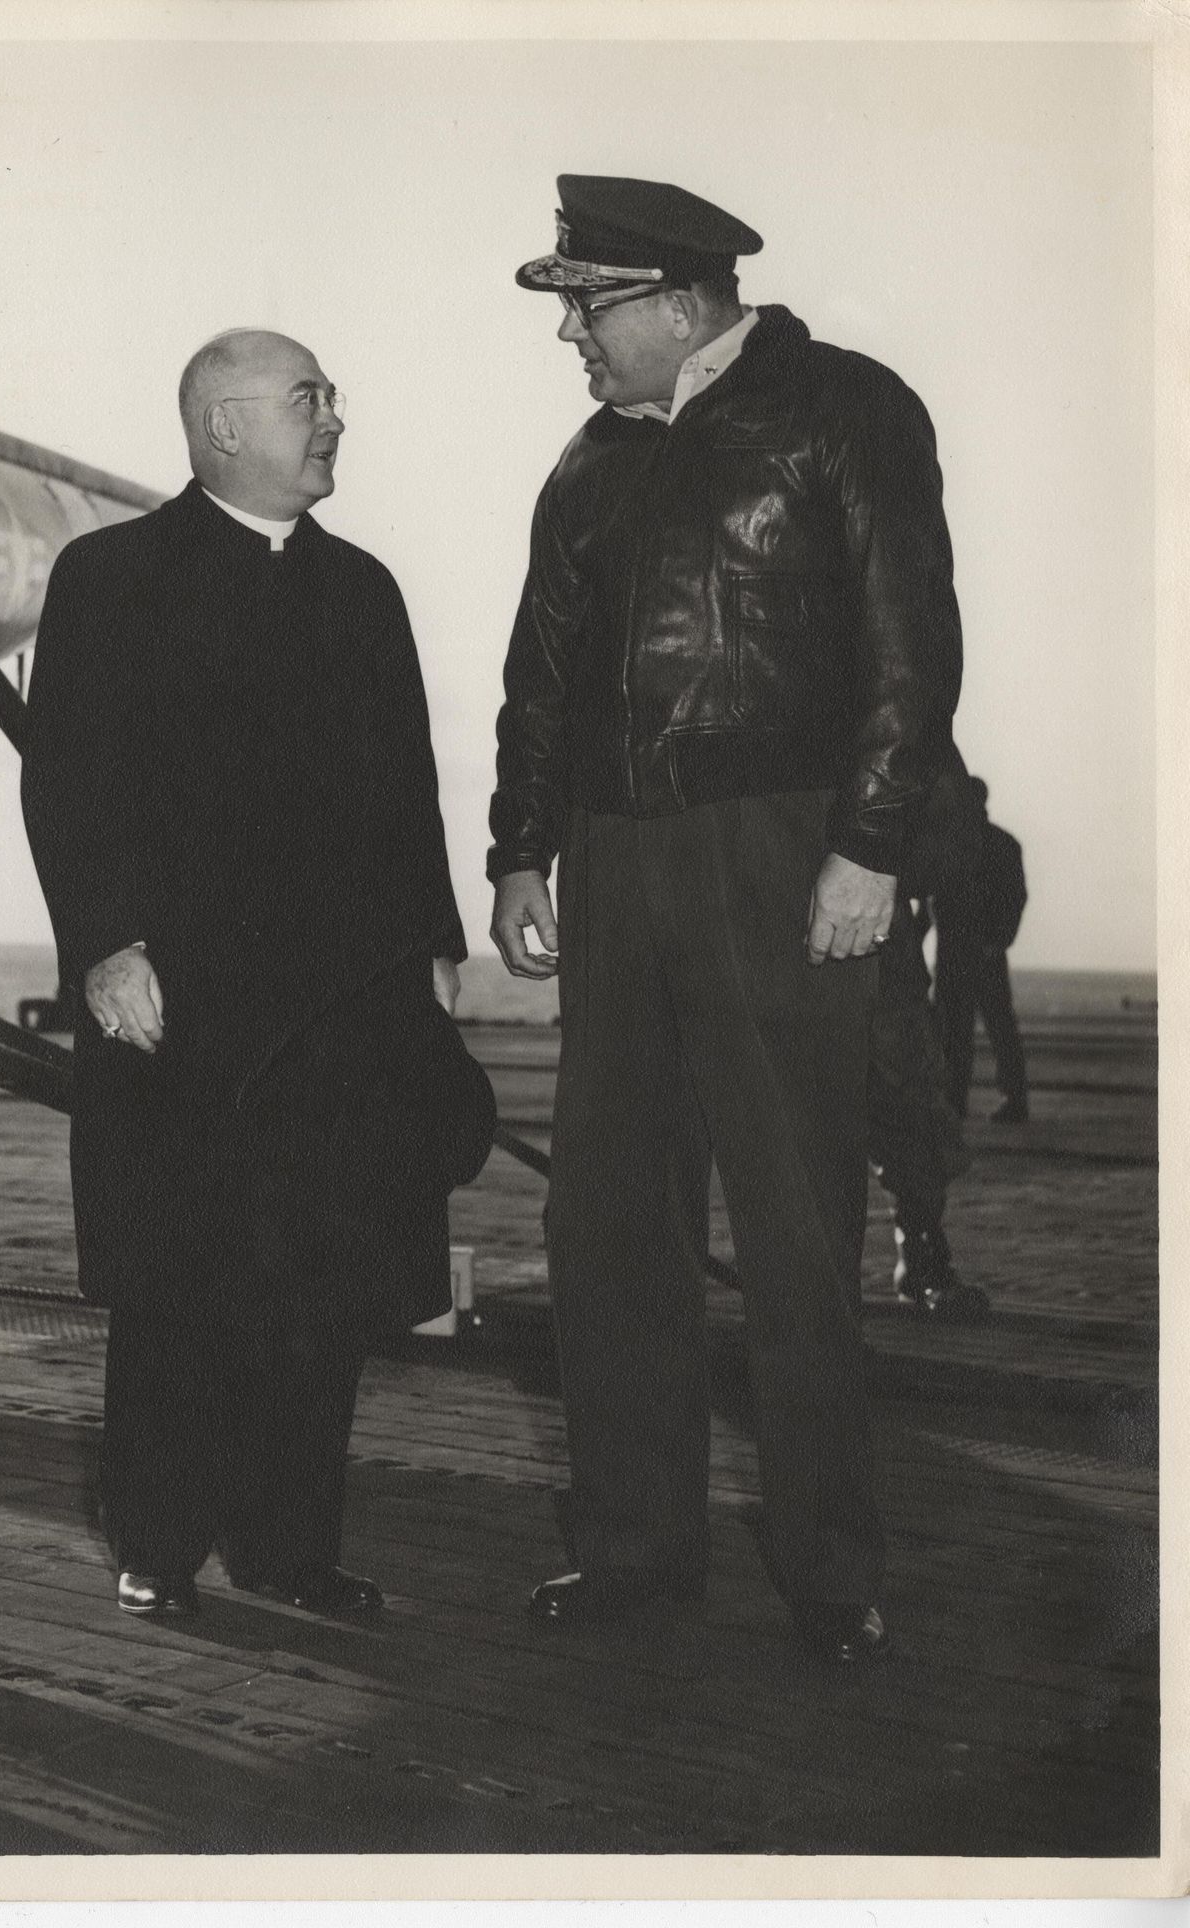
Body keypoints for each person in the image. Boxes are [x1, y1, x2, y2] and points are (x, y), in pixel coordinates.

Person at [487, 176, 962, 1663]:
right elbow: (541, 681)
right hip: (619, 868)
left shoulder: (842, 410)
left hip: (784, 853)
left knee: (797, 1230)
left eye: (587, 302)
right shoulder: (587, 464)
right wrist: (519, 854)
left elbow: (911, 640)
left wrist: (869, 848)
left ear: (679, 302)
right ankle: (637, 1550)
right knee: (609, 1224)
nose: (569, 332)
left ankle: (833, 1574)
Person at [22, 329, 474, 1623]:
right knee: (178, 1288)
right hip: (177, 1009)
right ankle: (157, 1544)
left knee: (322, 1289)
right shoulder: (112, 579)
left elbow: (410, 795)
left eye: (328, 397)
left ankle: (292, 1547)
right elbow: (67, 779)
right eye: (307, 400)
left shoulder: (366, 591)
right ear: (222, 427)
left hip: (339, 1016)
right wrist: (106, 947)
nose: (335, 419)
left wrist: (432, 951)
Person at [869, 756, 991, 1321]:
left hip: (875, 941)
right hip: (769, 933)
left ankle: (921, 1256)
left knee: (910, 1106)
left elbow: (951, 832)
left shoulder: (896, 706)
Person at [933, 776, 1031, 1124]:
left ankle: (967, 1100)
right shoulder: (994, 844)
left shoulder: (957, 844)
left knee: (969, 1029)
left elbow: (1014, 899)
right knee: (977, 1028)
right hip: (969, 952)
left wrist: (998, 940)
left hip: (971, 953)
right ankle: (995, 1099)